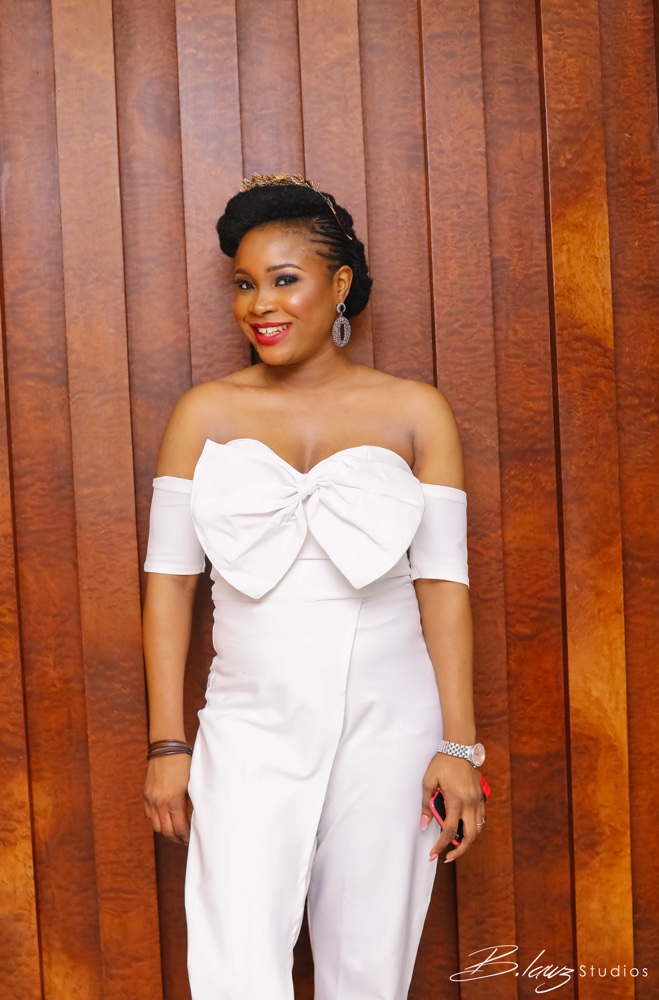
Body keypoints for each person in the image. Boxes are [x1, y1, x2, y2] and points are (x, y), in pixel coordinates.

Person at [141, 173, 487, 1000]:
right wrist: (166, 746)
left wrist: (459, 747)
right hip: (249, 720)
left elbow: (443, 585)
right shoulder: (202, 415)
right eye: (244, 284)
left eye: (284, 279)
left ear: (338, 285)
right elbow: (168, 587)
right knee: (232, 965)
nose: (259, 304)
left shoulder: (416, 412)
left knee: (368, 966)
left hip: (391, 720)